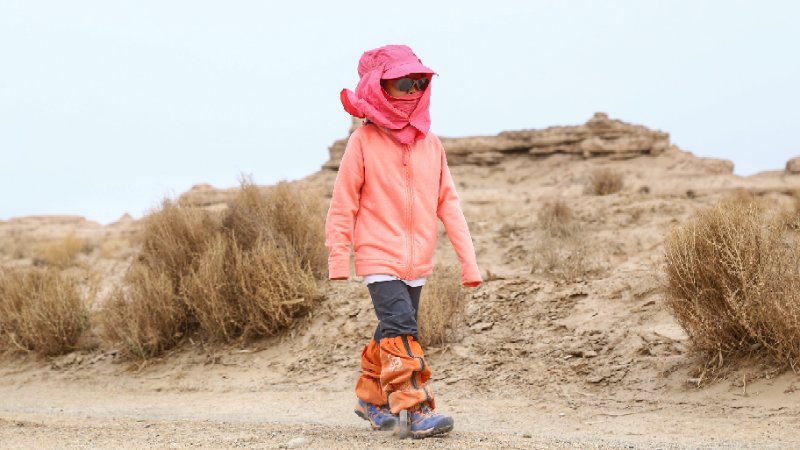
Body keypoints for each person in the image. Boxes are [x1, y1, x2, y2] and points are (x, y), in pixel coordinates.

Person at [325, 44, 482, 439]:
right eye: (402, 83)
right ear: (379, 88)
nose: (412, 90)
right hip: (378, 255)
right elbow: (343, 202)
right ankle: (415, 408)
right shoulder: (363, 141)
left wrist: (469, 263)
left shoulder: (431, 144)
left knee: (391, 329)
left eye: (419, 82)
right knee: (402, 328)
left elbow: (449, 204)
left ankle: (371, 399)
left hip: (418, 261)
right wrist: (338, 258)